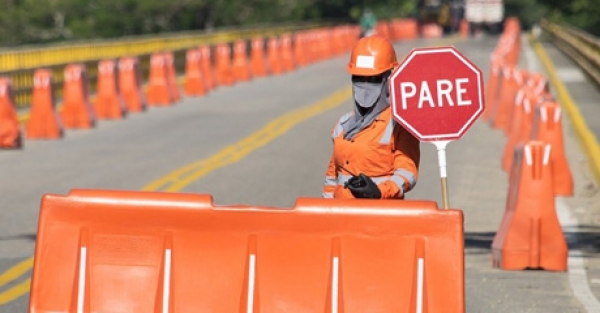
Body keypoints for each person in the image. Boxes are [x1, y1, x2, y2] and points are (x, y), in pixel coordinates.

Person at [322, 35, 420, 199]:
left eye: (373, 80)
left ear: (388, 80)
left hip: (381, 216)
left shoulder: (400, 125)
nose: (365, 87)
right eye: (359, 79)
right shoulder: (344, 125)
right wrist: (324, 210)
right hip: (342, 216)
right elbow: (332, 176)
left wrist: (379, 191)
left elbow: (407, 173)